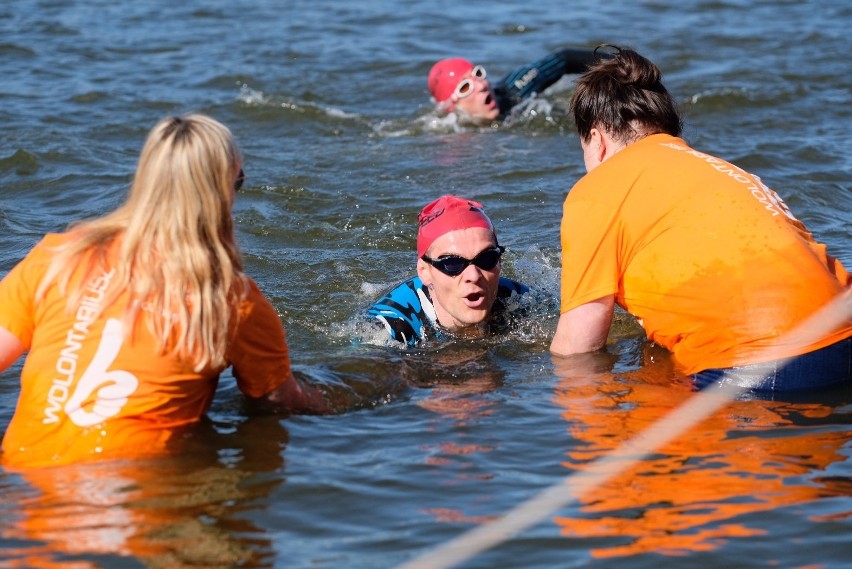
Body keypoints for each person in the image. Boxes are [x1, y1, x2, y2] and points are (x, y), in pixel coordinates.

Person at [0, 114, 328, 469]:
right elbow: (281, 402)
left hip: (22, 475)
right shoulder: (228, 298)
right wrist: (363, 391)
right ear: (222, 192)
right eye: (240, 182)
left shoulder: (58, 256)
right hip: (130, 492)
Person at [550, 45, 852, 391]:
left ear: (596, 140)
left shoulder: (596, 190)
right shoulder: (729, 172)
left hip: (762, 366)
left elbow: (579, 347)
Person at [367, 195, 528, 346]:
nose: (473, 275)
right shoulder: (387, 328)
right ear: (424, 272)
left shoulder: (521, 301)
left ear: (499, 261)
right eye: (452, 263)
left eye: (486, 258)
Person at [427, 47, 602, 125]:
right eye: (466, 87)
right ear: (451, 106)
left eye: (478, 75)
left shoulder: (514, 89)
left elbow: (564, 58)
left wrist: (624, 63)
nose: (482, 86)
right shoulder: (449, 131)